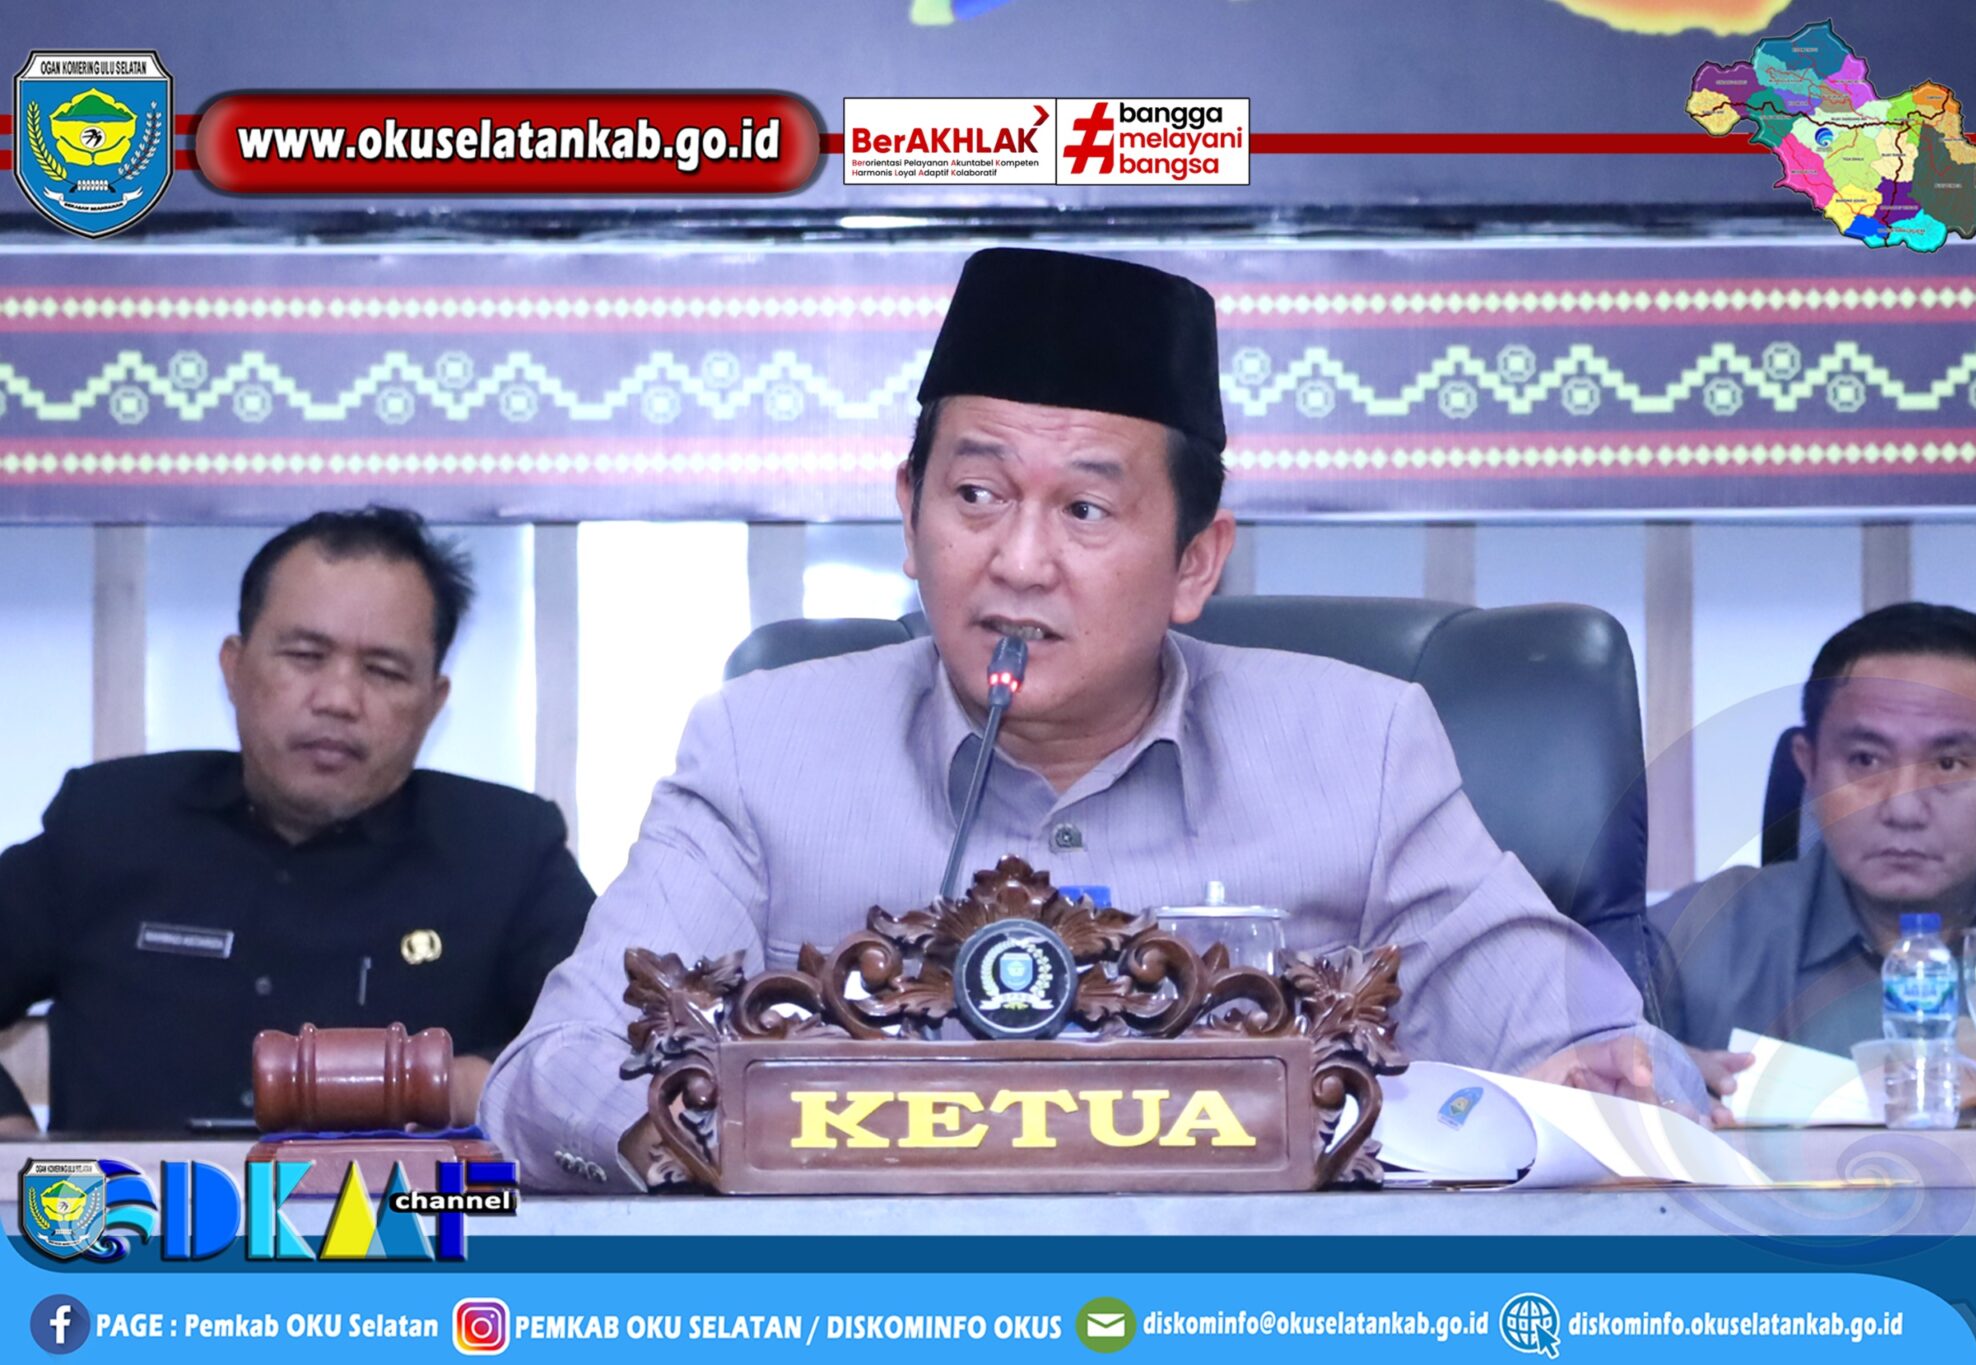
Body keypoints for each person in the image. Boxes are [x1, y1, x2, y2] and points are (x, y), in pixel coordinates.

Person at [483, 247, 1702, 1189]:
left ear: (1193, 561)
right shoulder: (761, 752)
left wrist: (1617, 1088)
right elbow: (551, 1081)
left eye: (1082, 512)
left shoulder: (1361, 750)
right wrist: (766, 1126)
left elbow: (1607, 1052)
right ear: (908, 514)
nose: (1016, 561)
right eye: (974, 495)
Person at [0, 507, 595, 1135]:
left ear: (433, 701)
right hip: (130, 1201)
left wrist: (477, 1086)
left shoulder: (507, 853)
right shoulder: (109, 824)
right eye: (306, 656)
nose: (338, 700)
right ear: (234, 668)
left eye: (384, 671)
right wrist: (9, 1137)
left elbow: (615, 1047)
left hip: (401, 1201)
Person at [1653, 602, 1976, 1109]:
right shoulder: (1701, 934)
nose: (1904, 808)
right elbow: (1569, 1060)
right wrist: (1635, 1064)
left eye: (1949, 763)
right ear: (1810, 768)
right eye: (1866, 759)